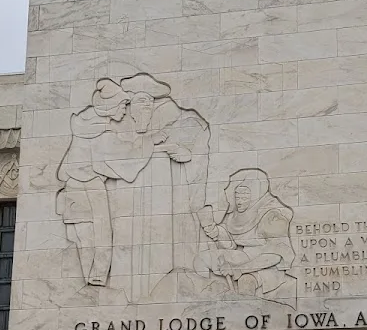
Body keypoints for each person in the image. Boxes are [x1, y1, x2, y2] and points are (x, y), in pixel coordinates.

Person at [56, 73, 209, 286]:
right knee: (97, 235)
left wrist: (168, 146)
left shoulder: (90, 123)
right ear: (111, 106)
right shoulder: (99, 131)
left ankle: (95, 278)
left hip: (83, 188)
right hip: (87, 188)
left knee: (92, 235)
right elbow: (122, 156)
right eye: (124, 105)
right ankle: (96, 278)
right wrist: (152, 141)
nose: (125, 111)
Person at [196, 169, 296, 305]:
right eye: (237, 197)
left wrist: (239, 269)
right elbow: (230, 244)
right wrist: (216, 231)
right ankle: (202, 301)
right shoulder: (235, 215)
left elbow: (275, 255)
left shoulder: (272, 216)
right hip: (245, 256)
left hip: (267, 264)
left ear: (256, 196)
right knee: (202, 258)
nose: (239, 202)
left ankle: (247, 310)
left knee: (246, 281)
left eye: (244, 197)